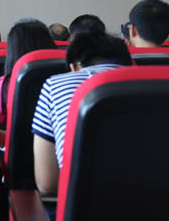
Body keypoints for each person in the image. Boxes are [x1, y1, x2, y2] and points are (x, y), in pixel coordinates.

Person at [31, 32, 132, 197]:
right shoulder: (155, 85)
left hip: (83, 203)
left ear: (74, 67)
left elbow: (47, 184)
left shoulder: (55, 85)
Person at [0, 19, 56, 144]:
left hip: (24, 155)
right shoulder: (70, 78)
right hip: (67, 155)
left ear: (13, 51)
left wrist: (11, 138)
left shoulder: (10, 85)